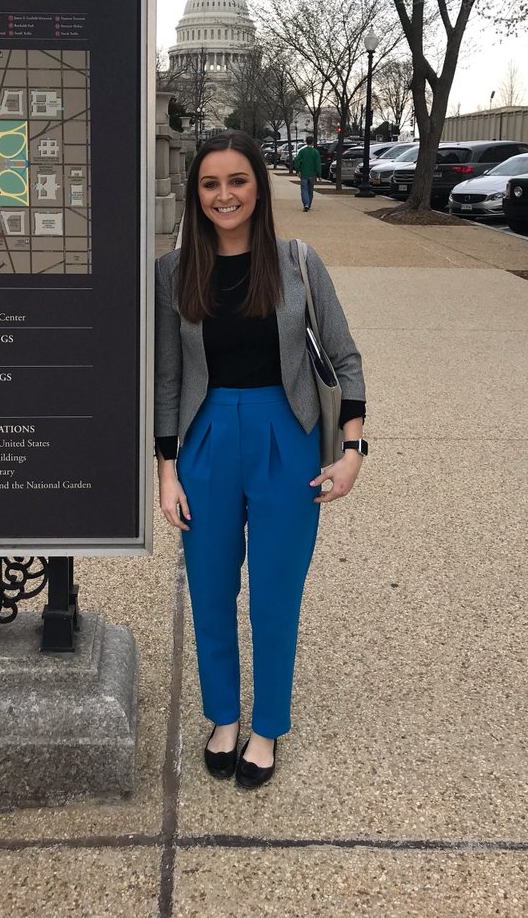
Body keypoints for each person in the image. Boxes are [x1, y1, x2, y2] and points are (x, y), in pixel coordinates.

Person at [155, 130, 366, 789]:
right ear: (196, 193)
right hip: (208, 439)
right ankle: (223, 716)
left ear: (259, 186)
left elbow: (345, 356)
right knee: (210, 592)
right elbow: (166, 378)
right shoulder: (174, 271)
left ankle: (268, 725)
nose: (225, 195)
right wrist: (166, 471)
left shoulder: (298, 262)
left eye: (238, 181)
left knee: (276, 596)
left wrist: (353, 448)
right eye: (211, 183)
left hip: (288, 434)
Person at [292, 136, 322, 211]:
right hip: (312, 174)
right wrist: (319, 175)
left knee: (304, 189)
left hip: (304, 173)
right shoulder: (315, 152)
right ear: (312, 142)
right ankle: (308, 204)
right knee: (310, 190)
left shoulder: (302, 151)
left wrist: (298, 171)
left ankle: (306, 203)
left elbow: (297, 161)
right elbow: (317, 164)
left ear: (306, 142)